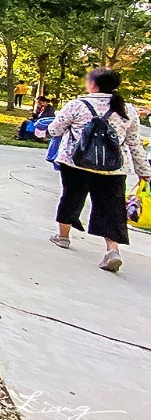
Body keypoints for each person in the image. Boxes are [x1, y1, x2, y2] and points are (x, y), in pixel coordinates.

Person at [47, 68, 151, 273]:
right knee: (112, 207)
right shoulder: (126, 109)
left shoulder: (77, 105)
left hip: (76, 163)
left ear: (93, 84)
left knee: (72, 197)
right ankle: (112, 250)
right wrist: (144, 170)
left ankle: (63, 237)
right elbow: (134, 143)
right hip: (113, 169)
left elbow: (54, 130)